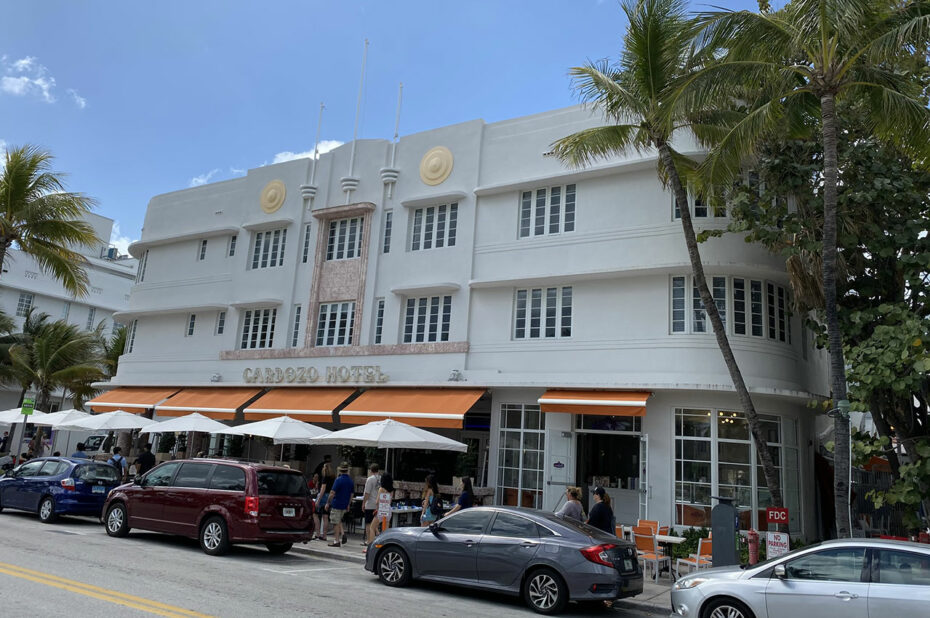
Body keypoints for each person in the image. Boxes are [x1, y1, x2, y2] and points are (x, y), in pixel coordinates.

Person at [325, 461, 353, 547]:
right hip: (344, 504)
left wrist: (328, 503)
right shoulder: (350, 481)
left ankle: (336, 541)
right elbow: (352, 494)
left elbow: (332, 493)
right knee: (339, 520)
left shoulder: (338, 480)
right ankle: (342, 534)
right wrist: (348, 504)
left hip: (337, 503)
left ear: (340, 470)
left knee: (335, 522)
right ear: (347, 470)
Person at [313, 462, 335, 541]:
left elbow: (322, 489)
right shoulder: (333, 478)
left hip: (323, 496)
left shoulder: (324, 477)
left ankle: (317, 533)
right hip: (329, 496)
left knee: (315, 514)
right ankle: (324, 535)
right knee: (325, 516)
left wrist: (318, 500)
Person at [370, 472, 394, 542]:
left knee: (372, 527)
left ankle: (371, 545)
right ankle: (384, 545)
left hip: (381, 509)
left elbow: (377, 501)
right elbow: (390, 501)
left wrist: (376, 509)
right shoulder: (391, 490)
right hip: (388, 509)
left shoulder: (381, 489)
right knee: (385, 531)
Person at [361, 463, 381, 546]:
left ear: (371, 470)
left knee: (368, 523)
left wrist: (363, 503)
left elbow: (367, 493)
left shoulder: (370, 479)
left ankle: (369, 540)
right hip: (378, 504)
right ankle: (377, 539)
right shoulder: (381, 479)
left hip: (370, 504)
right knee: (375, 524)